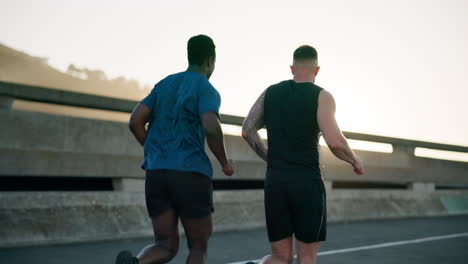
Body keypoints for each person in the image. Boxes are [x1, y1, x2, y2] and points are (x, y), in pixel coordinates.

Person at [116, 34, 234, 264]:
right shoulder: (206, 89)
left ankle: (135, 263)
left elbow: (135, 121)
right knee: (198, 246)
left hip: (157, 173)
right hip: (190, 174)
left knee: (165, 245)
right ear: (210, 61)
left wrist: (153, 149)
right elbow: (210, 125)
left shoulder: (164, 84)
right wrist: (224, 162)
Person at [242, 45, 364, 264]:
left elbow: (247, 129)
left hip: (276, 183)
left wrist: (269, 157)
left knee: (281, 257)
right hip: (306, 185)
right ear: (317, 70)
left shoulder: (270, 92)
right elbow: (335, 142)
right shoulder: (322, 96)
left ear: (292, 68)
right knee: (306, 257)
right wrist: (353, 158)